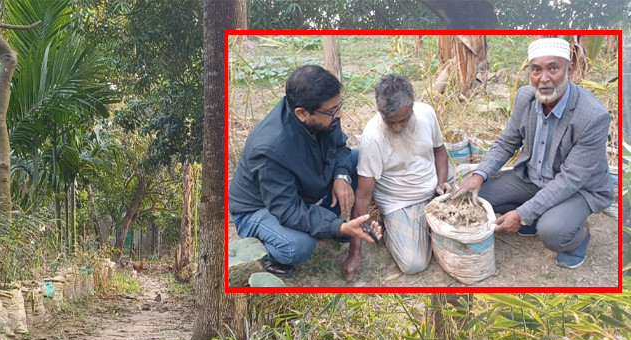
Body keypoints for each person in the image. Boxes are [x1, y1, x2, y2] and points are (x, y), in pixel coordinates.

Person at [452, 37, 613, 269]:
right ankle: (536, 215)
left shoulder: (592, 116)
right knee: (476, 195)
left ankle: (578, 236)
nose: (544, 79)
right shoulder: (525, 97)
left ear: (570, 69)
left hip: (578, 189)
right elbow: (507, 142)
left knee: (553, 233)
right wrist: (479, 174)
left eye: (553, 68)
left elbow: (571, 179)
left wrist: (523, 214)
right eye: (536, 70)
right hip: (533, 178)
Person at [228, 65, 382, 277]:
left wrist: (341, 176)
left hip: (300, 192)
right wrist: (338, 226)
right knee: (299, 246)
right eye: (332, 111)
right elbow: (288, 210)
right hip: (258, 209)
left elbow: (340, 148)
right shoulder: (269, 149)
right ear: (301, 113)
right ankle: (264, 252)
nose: (339, 114)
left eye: (339, 106)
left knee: (357, 160)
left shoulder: (325, 116)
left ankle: (332, 226)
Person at [344, 74, 451, 280]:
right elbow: (363, 197)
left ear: (412, 107)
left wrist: (442, 184)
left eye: (402, 120)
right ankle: (391, 225)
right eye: (389, 121)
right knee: (413, 264)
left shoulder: (426, 113)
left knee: (475, 187)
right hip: (401, 202)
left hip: (433, 188)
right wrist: (355, 253)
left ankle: (420, 228)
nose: (397, 127)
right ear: (380, 112)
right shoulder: (372, 137)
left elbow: (439, 151)